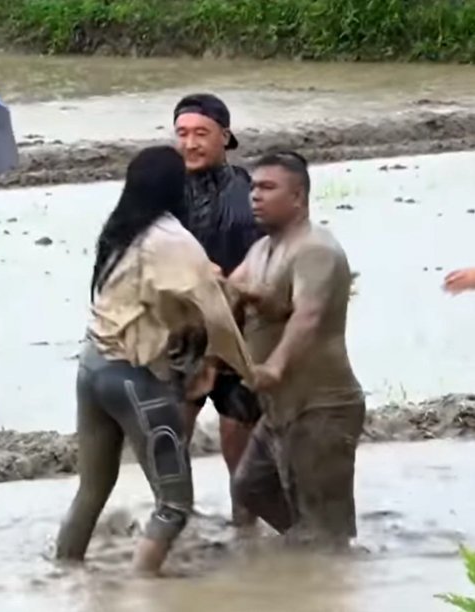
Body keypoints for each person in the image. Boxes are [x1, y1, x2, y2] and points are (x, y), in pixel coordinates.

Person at [54, 146, 255, 576]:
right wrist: (249, 372)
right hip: (132, 378)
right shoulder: (173, 240)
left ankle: (64, 576)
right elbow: (212, 315)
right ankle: (145, 589)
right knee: (175, 505)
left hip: (92, 366)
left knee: (91, 490)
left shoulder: (121, 231)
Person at [228, 151, 366, 549]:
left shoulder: (315, 250)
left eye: (268, 188)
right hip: (280, 410)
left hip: (322, 407)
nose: (255, 196)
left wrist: (274, 367)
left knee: (326, 529)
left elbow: (309, 315)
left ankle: (329, 564)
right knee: (250, 487)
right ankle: (310, 548)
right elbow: (224, 297)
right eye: (253, 187)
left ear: (299, 198)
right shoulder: (261, 251)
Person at [170, 92, 265, 527]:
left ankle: (246, 531)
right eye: (183, 134)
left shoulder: (251, 192)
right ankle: (174, 522)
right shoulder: (164, 193)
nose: (190, 143)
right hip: (180, 337)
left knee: (237, 443)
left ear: (225, 137)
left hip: (238, 337)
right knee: (171, 440)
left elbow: (272, 263)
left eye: (201, 134)